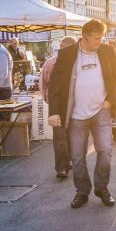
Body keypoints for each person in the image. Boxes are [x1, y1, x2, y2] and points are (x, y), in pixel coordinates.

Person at [47, 19, 116, 209]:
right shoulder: (66, 54)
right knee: (78, 156)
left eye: (102, 37)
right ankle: (82, 191)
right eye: (97, 38)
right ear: (85, 37)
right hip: (76, 115)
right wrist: (54, 111)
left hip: (101, 111)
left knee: (105, 150)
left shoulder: (107, 51)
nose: (100, 41)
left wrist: (111, 100)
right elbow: (54, 84)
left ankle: (102, 188)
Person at [39, 36, 77, 179]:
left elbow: (42, 85)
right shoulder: (74, 62)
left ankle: (63, 166)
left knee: (61, 135)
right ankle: (66, 164)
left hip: (58, 103)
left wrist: (48, 100)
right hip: (69, 103)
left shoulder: (49, 62)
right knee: (68, 134)